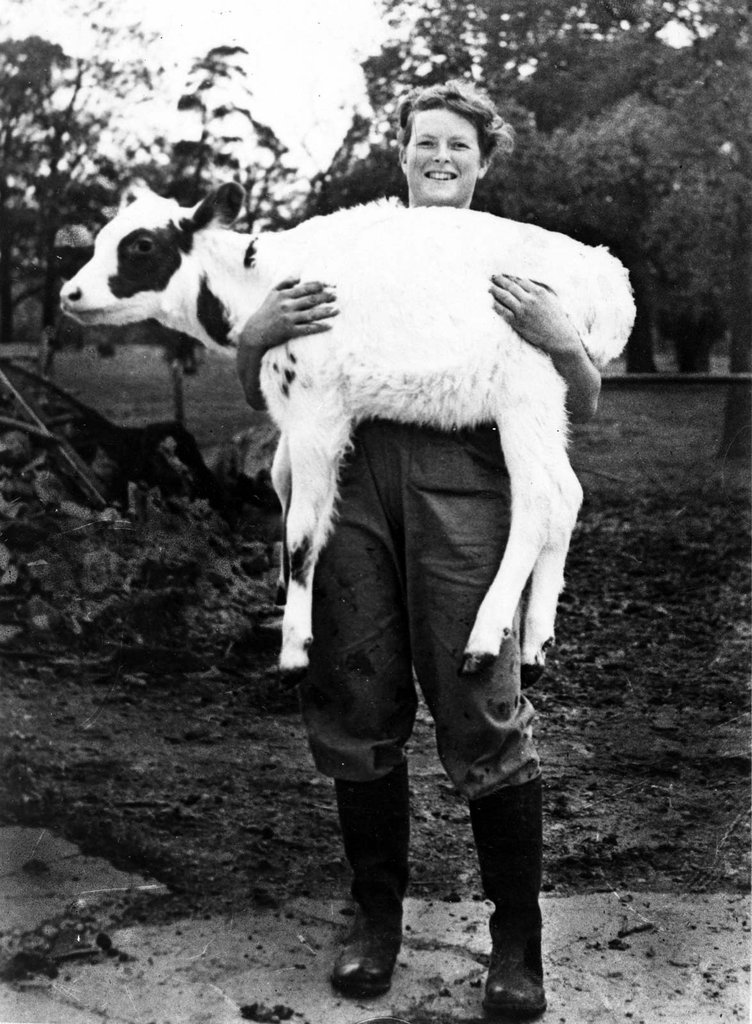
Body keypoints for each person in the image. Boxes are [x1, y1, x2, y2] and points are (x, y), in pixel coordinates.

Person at [237, 80, 601, 1020]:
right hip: (351, 486)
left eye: (459, 146)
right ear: (399, 153)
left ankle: (517, 942)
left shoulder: (513, 258)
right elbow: (270, 394)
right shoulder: (355, 257)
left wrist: (567, 345)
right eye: (424, 142)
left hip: (467, 490)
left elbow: (581, 410)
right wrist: (255, 337)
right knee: (354, 697)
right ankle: (376, 919)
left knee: (481, 701)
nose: (440, 157)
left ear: (484, 163)